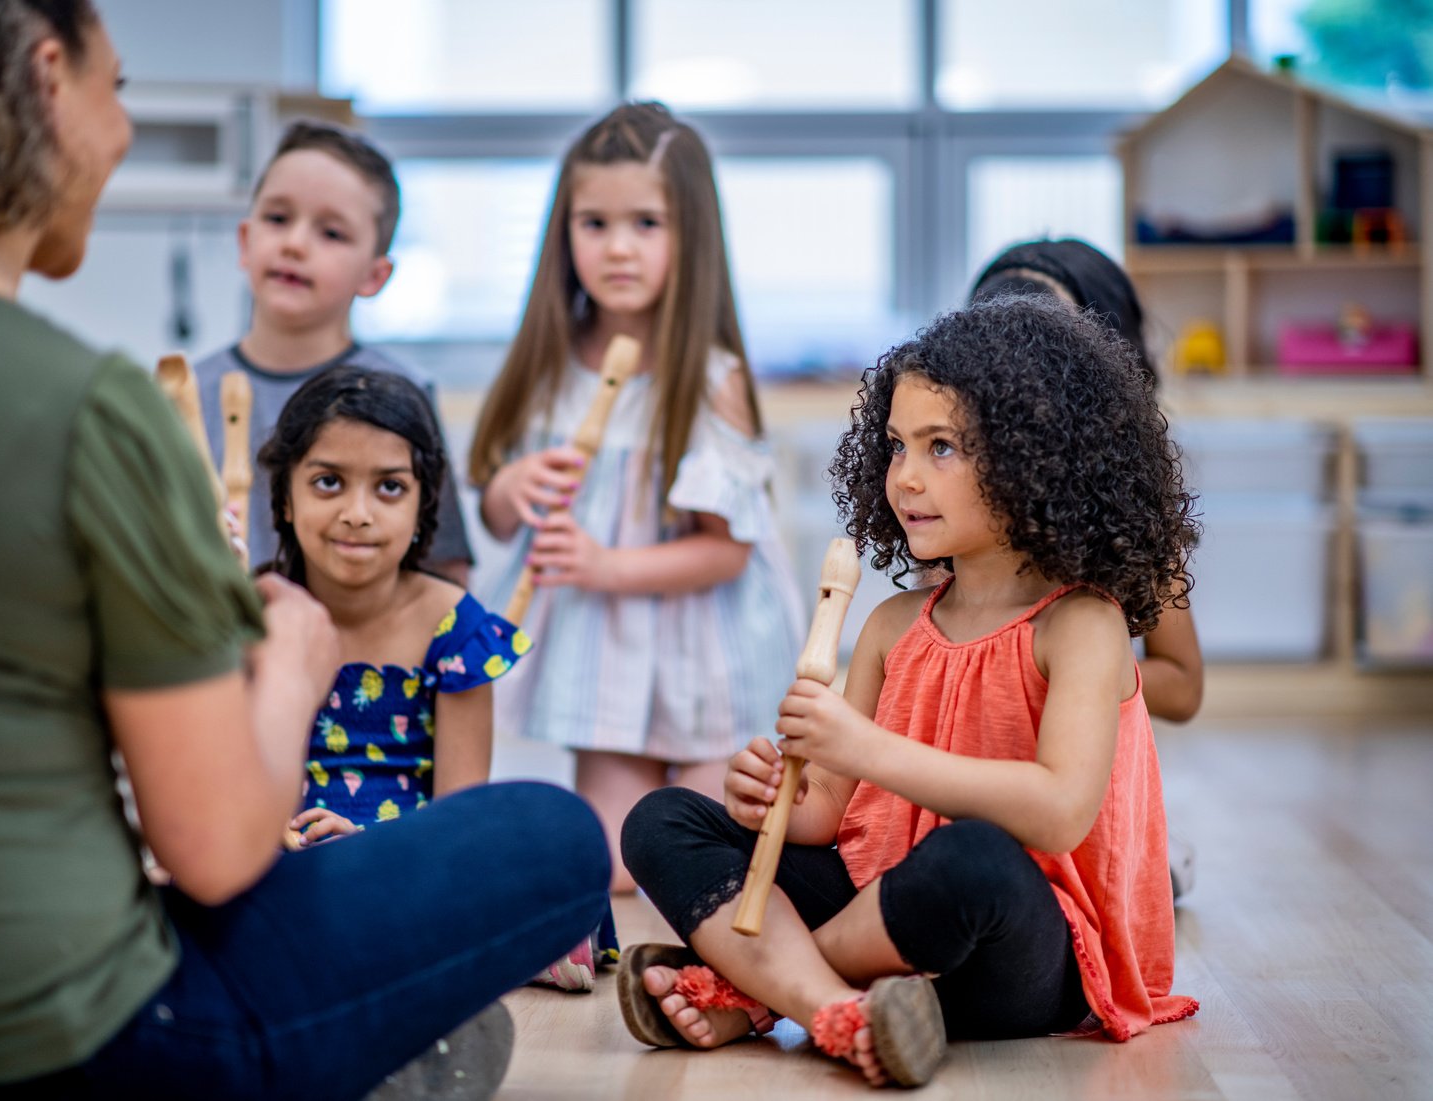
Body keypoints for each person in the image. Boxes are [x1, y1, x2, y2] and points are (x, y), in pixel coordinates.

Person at [0, 3, 608, 1098]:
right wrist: (298, 661)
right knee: (551, 839)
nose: (120, 131)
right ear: (43, 82)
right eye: (112, 88)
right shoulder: (90, 407)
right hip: (57, 1038)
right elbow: (216, 845)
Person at [616, 296, 1200, 1089]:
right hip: (878, 910)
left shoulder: (1081, 624)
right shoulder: (893, 624)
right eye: (895, 446)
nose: (907, 478)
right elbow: (828, 812)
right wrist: (771, 794)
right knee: (664, 819)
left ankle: (757, 990)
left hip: (1019, 949)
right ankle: (828, 1003)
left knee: (970, 857)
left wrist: (868, 748)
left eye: (944, 447)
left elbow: (1060, 809)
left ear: (1039, 459)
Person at [468, 101, 805, 896]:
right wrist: (512, 491)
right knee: (617, 867)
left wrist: (600, 563)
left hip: (707, 661)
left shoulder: (713, 381)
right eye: (594, 223)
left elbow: (725, 552)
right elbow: (493, 509)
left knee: (707, 857)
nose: (618, 246)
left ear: (692, 234)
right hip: (607, 662)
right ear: (564, 233)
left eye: (647, 223)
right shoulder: (550, 369)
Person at [970, 237, 1204, 898]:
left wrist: (1061, 679)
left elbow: (1183, 684)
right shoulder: (957, 500)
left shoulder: (1131, 513)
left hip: (1074, 782)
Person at [192, 119, 474, 585]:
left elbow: (443, 571)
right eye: (278, 219)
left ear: (374, 276)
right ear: (245, 241)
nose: (295, 244)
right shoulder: (182, 395)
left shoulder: (405, 395)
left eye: (331, 233)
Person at [256, 365, 526, 843]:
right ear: (285, 500)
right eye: (328, 482)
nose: (358, 515)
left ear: (424, 507)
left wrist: (363, 844)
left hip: (408, 877)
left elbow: (457, 825)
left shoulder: (455, 628)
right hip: (271, 874)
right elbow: (223, 788)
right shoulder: (251, 617)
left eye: (390, 487)